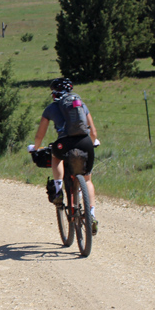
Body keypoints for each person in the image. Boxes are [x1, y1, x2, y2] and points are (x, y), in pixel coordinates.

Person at [28, 78, 101, 234]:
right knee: (87, 179)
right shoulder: (80, 104)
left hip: (63, 143)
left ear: (54, 93)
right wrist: (93, 142)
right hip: (85, 143)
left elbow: (40, 135)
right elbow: (93, 133)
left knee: (56, 157)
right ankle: (92, 215)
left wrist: (35, 148)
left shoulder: (51, 108)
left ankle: (59, 188)